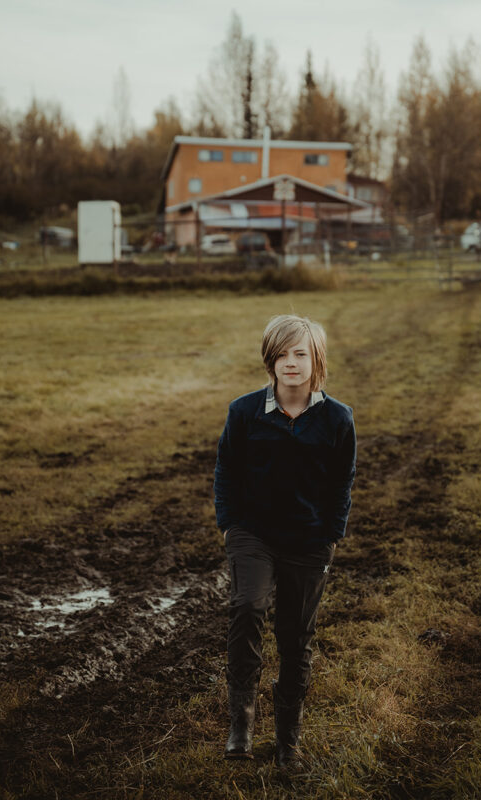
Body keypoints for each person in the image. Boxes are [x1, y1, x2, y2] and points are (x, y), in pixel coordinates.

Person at [213, 314, 356, 770]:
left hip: (310, 542)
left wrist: (332, 534)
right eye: (281, 354)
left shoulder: (337, 419)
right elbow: (226, 471)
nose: (290, 363)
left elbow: (342, 482)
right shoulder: (244, 412)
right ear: (269, 360)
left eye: (300, 354)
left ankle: (287, 742)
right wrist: (230, 525)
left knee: (295, 637)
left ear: (317, 361)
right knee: (247, 606)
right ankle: (241, 726)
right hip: (252, 534)